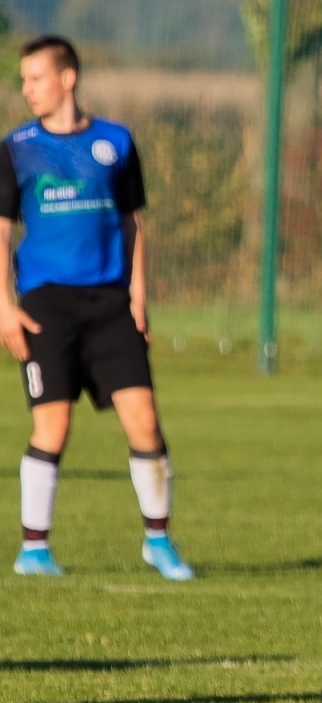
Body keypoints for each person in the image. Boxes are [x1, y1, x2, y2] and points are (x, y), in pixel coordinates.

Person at [0, 34, 192, 579]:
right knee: (53, 425)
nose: (26, 88)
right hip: (45, 303)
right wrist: (3, 307)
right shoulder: (16, 147)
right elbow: (1, 229)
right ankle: (34, 549)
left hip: (110, 303)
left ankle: (158, 541)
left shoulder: (116, 142)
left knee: (145, 421)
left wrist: (138, 296)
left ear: (68, 77)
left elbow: (134, 223)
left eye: (34, 78)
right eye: (23, 80)